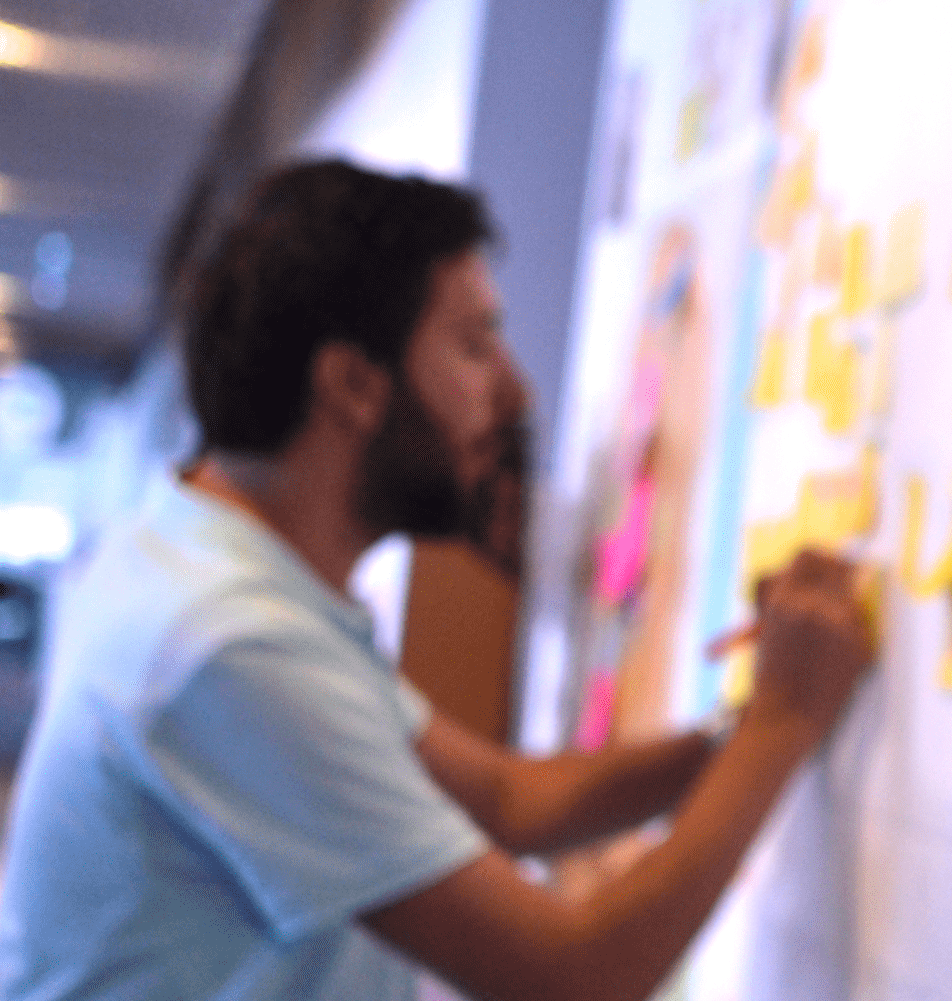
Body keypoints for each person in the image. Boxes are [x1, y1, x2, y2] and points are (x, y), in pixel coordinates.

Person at [0, 160, 876, 1001]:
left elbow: (508, 799)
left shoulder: (207, 555)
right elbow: (573, 976)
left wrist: (753, 720)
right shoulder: (229, 642)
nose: (512, 393)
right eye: (473, 345)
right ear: (352, 384)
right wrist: (784, 726)